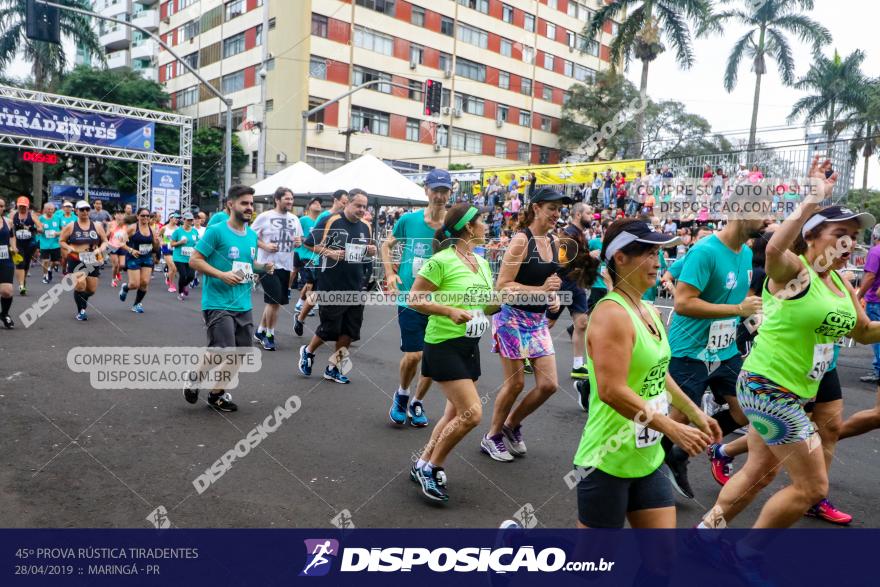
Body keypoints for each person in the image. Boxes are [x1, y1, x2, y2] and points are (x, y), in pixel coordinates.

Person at [695, 158, 880, 542]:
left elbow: (863, 332)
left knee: (759, 473)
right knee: (812, 488)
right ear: (812, 236)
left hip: (795, 392)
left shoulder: (842, 283)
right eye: (839, 234)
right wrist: (811, 198)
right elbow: (776, 247)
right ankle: (749, 556)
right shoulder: (795, 273)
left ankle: (704, 535)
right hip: (768, 387)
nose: (849, 243)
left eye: (854, 236)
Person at [574, 218, 721, 529]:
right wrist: (672, 428)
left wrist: (694, 412)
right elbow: (611, 391)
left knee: (662, 560)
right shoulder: (611, 314)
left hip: (648, 456)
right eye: (649, 254)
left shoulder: (650, 309)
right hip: (606, 460)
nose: (658, 263)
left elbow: (659, 373)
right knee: (591, 570)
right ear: (620, 257)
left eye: (659, 254)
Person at [482, 188, 591, 462]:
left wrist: (551, 296)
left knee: (549, 385)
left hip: (536, 321)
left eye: (559, 209)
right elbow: (503, 286)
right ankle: (492, 436)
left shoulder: (554, 241)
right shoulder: (521, 240)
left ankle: (511, 425)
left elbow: (550, 281)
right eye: (552, 208)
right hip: (511, 318)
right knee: (516, 383)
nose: (557, 214)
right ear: (537, 208)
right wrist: (541, 289)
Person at [662, 210, 765, 499]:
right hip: (691, 351)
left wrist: (753, 319)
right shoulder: (704, 251)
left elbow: (736, 301)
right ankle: (648, 472)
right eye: (764, 212)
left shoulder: (745, 253)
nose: (767, 220)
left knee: (744, 412)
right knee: (679, 418)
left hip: (725, 351)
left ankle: (678, 454)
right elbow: (682, 303)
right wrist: (737, 310)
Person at [407, 203, 497, 502]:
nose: (487, 225)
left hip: (469, 346)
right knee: (471, 414)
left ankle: (422, 463)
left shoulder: (481, 263)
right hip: (442, 344)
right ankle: (433, 468)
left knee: (455, 413)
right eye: (482, 221)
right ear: (469, 227)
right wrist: (448, 310)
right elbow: (414, 298)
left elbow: (485, 306)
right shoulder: (441, 261)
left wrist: (506, 299)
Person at [185, 185, 273, 413]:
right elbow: (195, 260)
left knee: (241, 352)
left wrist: (264, 267)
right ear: (230, 204)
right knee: (223, 349)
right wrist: (221, 274)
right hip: (217, 302)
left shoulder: (252, 236)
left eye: (251, 204)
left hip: (243, 303)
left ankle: (216, 394)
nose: (249, 208)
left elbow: (247, 264)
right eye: (244, 203)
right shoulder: (216, 230)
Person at [383, 169, 451, 428]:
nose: (440, 196)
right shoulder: (409, 220)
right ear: (426, 191)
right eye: (436, 190)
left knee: (432, 357)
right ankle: (402, 394)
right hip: (410, 298)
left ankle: (417, 401)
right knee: (414, 356)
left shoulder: (451, 226)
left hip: (441, 299)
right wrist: (390, 273)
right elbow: (386, 245)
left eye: (445, 191)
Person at [299, 190, 374, 384]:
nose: (361, 210)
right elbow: (309, 244)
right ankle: (308, 352)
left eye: (364, 206)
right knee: (330, 329)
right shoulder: (331, 220)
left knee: (350, 332)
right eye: (358, 205)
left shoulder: (366, 226)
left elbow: (364, 253)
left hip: (355, 285)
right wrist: (329, 253)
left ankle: (333, 367)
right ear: (347, 203)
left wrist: (370, 252)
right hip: (331, 283)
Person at [251, 187, 302, 351]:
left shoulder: (294, 219)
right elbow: (250, 236)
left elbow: (299, 239)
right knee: (273, 301)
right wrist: (265, 245)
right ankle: (269, 335)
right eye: (287, 198)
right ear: (277, 200)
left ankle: (260, 331)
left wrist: (299, 242)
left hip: (285, 264)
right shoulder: (264, 217)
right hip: (267, 265)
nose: (290, 202)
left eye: (292, 199)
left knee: (275, 303)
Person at [546, 202, 592, 381]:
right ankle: (525, 353)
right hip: (563, 283)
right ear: (578, 215)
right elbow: (562, 261)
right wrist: (587, 258)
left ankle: (578, 365)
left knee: (581, 324)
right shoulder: (567, 233)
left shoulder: (580, 234)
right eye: (588, 212)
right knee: (547, 323)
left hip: (576, 284)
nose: (592, 215)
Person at [293, 190, 348, 336]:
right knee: (316, 292)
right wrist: (329, 251)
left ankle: (340, 328)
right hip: (321, 260)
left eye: (347, 202)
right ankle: (300, 317)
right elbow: (314, 239)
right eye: (343, 202)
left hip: (339, 262)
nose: (345, 205)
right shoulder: (325, 216)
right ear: (335, 200)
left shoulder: (344, 217)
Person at [59, 201, 108, 321]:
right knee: (81, 286)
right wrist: (68, 247)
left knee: (91, 290)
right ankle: (81, 311)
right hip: (76, 259)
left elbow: (105, 241)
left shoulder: (96, 226)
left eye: (87, 209)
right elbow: (61, 240)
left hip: (92, 260)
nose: (85, 212)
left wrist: (99, 250)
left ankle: (82, 300)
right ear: (76, 211)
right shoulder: (71, 226)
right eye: (82, 210)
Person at [119, 208, 160, 313]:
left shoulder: (153, 229)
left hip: (147, 257)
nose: (145, 217)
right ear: (137, 216)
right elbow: (120, 242)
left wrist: (157, 241)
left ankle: (136, 304)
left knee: (145, 282)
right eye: (143, 215)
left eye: (148, 216)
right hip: (134, 257)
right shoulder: (132, 228)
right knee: (134, 284)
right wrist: (131, 250)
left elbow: (155, 246)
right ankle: (126, 288)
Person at [857, 225, 880, 383]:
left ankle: (878, 370)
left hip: (875, 300)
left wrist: (858, 296)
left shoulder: (875, 251)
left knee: (876, 337)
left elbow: (870, 276)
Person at [292, 197, 322, 305]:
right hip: (304, 253)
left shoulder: (321, 220)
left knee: (311, 281)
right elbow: (296, 235)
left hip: (317, 254)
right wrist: (305, 241)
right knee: (306, 278)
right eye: (315, 203)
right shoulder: (303, 220)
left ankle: (300, 303)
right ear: (309, 207)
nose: (318, 204)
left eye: (319, 203)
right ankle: (309, 303)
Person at [11, 196, 43, 296]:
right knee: (20, 263)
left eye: (24, 206)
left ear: (28, 206)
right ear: (17, 205)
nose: (22, 208)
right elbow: (10, 229)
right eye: (20, 206)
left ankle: (23, 281)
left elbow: (41, 228)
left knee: (26, 264)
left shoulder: (32, 216)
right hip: (18, 243)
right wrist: (13, 245)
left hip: (30, 244)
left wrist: (35, 229)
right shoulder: (13, 215)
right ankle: (21, 285)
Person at [170, 212, 200, 301]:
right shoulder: (178, 231)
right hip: (179, 257)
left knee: (191, 276)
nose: (190, 222)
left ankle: (184, 286)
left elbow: (197, 243)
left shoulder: (195, 231)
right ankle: (180, 293)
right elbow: (172, 244)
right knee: (183, 275)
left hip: (190, 257)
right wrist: (180, 242)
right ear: (183, 220)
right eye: (188, 220)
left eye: (191, 220)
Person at [0, 198, 18, 327]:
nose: (0, 208)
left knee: (7, 291)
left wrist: (14, 246)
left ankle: (4, 314)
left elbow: (12, 236)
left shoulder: (8, 222)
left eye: (1, 206)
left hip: (5, 258)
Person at [37, 203, 61, 284]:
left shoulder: (57, 218)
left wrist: (57, 233)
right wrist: (40, 230)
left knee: (56, 262)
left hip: (55, 243)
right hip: (44, 243)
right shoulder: (40, 219)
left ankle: (50, 269)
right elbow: (37, 229)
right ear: (45, 209)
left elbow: (63, 230)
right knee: (46, 260)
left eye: (52, 209)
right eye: (48, 209)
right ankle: (45, 275)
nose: (50, 211)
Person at [106, 210, 129, 287]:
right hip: (112, 246)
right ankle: (113, 279)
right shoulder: (110, 224)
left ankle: (117, 272)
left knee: (122, 265)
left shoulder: (125, 225)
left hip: (122, 246)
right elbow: (107, 235)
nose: (119, 215)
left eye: (121, 214)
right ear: (115, 215)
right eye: (118, 214)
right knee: (115, 265)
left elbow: (126, 237)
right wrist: (110, 231)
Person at [161, 213, 180, 293]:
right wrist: (161, 242)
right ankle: (171, 285)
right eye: (175, 218)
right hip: (166, 249)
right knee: (173, 267)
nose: (177, 219)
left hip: (175, 249)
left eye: (178, 218)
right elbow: (158, 236)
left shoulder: (178, 229)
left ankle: (168, 278)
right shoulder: (164, 228)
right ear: (170, 218)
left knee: (172, 268)